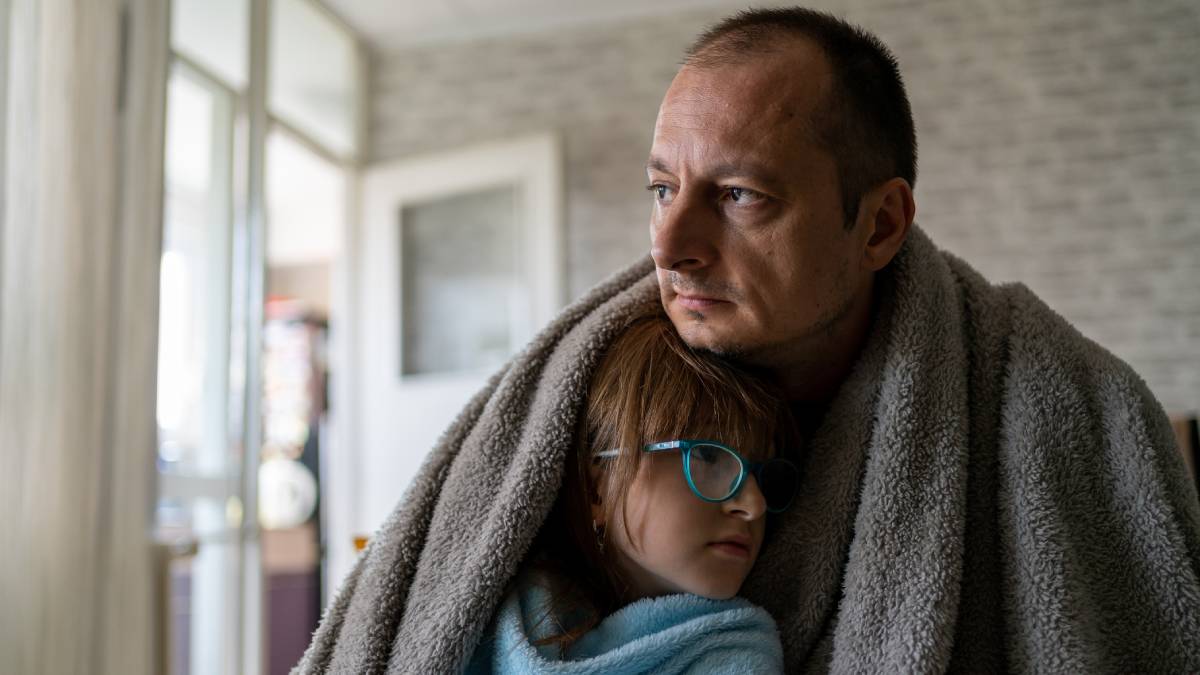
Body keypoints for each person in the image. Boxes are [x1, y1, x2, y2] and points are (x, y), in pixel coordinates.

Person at [296, 8, 1200, 674]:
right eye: (662, 189)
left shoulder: (1056, 402)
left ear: (879, 225)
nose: (669, 244)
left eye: (739, 196)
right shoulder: (590, 391)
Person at [463, 312, 797, 673]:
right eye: (708, 455)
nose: (754, 504)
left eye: (763, 475)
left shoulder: (732, 650)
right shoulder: (497, 621)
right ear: (597, 490)